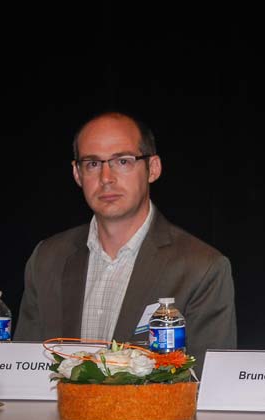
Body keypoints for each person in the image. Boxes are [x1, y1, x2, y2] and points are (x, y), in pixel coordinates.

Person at [15, 111, 237, 374]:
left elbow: (206, 385)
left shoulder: (202, 268)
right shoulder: (47, 259)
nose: (106, 178)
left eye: (123, 161)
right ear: (77, 174)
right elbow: (23, 373)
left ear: (153, 168)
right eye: (93, 164)